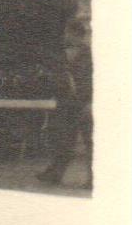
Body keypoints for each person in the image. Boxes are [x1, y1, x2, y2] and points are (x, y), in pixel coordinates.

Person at [38, 30, 93, 188]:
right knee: (63, 139)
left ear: (79, 35)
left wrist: (90, 102)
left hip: (85, 103)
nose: (66, 37)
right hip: (68, 103)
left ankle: (94, 179)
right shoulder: (66, 54)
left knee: (90, 142)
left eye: (69, 34)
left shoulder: (90, 56)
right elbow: (62, 77)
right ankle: (55, 173)